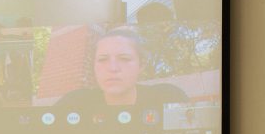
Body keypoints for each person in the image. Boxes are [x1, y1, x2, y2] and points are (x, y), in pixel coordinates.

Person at [57, 26, 188, 110]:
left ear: (141, 65)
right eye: (102, 59)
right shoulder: (74, 103)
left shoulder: (167, 98)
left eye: (124, 59)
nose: (113, 68)